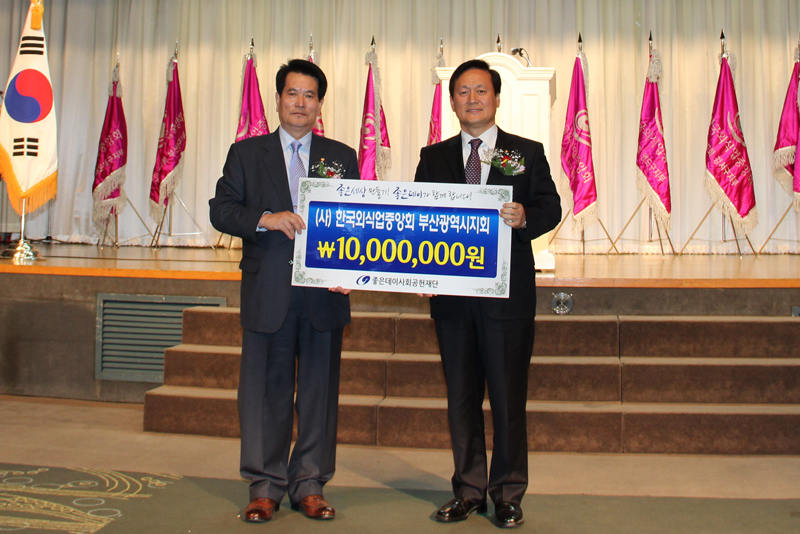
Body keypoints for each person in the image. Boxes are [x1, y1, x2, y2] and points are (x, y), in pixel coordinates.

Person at [209, 59, 359, 523]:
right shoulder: (246, 153)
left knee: (318, 396)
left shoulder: (342, 156)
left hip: (323, 295)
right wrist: (265, 219)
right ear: (277, 100)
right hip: (268, 291)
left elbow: (357, 221)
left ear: (320, 104)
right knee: (263, 394)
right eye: (292, 93)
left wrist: (353, 270)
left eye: (310, 95)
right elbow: (221, 210)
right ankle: (264, 487)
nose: (300, 103)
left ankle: (310, 484)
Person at [414, 59, 561, 528]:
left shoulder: (525, 152)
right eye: (463, 91)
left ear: (496, 98)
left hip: (507, 300)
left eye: (480, 90)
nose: (472, 99)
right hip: (453, 300)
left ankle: (507, 493)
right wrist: (417, 273)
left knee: (507, 398)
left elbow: (551, 206)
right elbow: (418, 220)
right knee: (461, 399)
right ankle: (469, 490)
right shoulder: (433, 157)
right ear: (452, 101)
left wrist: (525, 217)